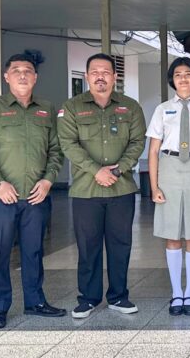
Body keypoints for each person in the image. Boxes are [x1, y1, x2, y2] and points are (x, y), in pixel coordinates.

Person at [0, 53, 66, 329]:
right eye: (16, 70)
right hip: (0, 197)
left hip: (36, 197)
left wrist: (49, 180)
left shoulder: (47, 109)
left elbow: (55, 150)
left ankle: (35, 301)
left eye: (28, 70)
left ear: (36, 77)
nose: (23, 75)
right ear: (7, 76)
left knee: (34, 252)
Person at [58, 53, 147, 319]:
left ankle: (119, 296)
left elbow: (138, 142)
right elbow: (68, 144)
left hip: (121, 189)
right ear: (86, 77)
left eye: (106, 72)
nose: (100, 76)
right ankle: (88, 298)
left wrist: (118, 169)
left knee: (121, 244)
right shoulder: (72, 107)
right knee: (88, 246)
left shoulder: (130, 107)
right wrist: (97, 170)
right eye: (95, 72)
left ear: (114, 77)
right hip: (87, 189)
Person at [147, 57, 190, 316]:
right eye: (178, 74)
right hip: (169, 167)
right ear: (172, 80)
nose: (183, 78)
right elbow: (153, 150)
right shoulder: (162, 109)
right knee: (172, 233)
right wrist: (154, 186)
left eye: (188, 74)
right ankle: (176, 293)